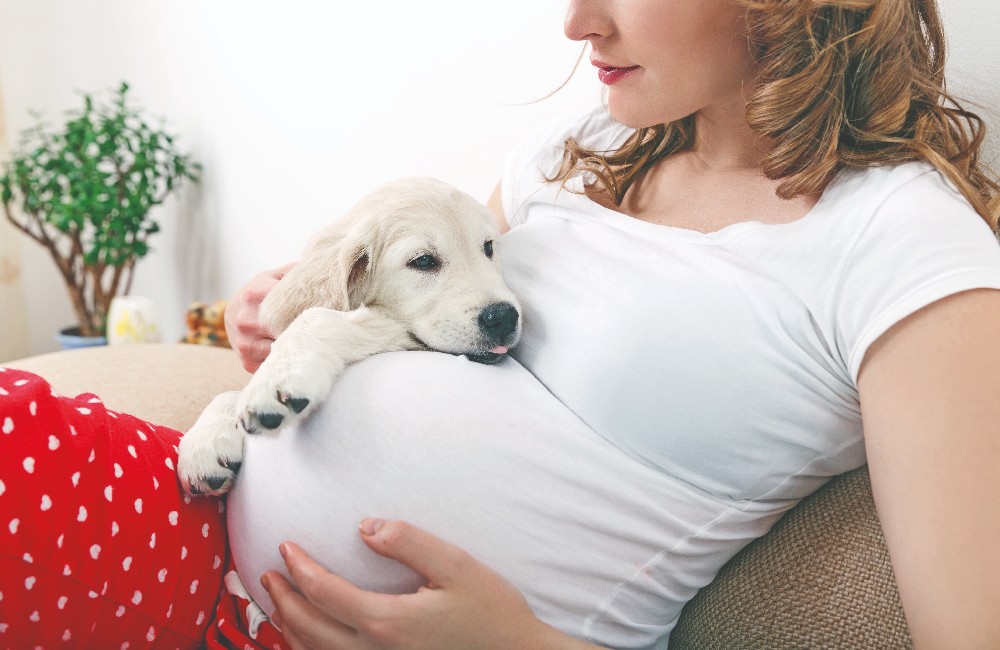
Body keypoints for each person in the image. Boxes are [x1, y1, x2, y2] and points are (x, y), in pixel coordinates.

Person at [1, 0, 998, 649]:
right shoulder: (591, 141)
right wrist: (304, 334)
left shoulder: (907, 250)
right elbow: (437, 316)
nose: (576, 22)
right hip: (202, 543)